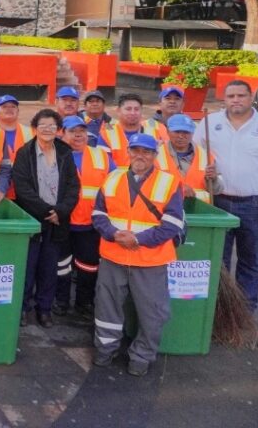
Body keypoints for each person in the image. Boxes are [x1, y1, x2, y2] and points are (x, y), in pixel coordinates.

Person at [92, 133, 184, 377]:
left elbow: (173, 224)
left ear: (154, 155)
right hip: (113, 256)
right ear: (128, 152)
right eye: (135, 151)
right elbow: (98, 214)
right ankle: (105, 349)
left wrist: (138, 239)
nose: (140, 156)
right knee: (106, 309)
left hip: (150, 261)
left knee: (152, 312)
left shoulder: (169, 182)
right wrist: (113, 234)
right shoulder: (112, 178)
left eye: (146, 152)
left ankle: (141, 356)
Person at [194, 80, 258, 311]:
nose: (236, 100)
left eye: (241, 95)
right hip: (217, 202)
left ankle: (245, 313)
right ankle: (219, 312)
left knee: (251, 262)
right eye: (231, 96)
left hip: (254, 204)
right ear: (224, 99)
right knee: (218, 262)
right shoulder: (209, 123)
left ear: (251, 97)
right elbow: (195, 157)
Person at [11, 109, 80, 328]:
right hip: (33, 220)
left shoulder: (65, 153)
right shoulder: (24, 153)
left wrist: (61, 211)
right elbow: (22, 188)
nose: (48, 130)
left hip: (58, 222)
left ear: (58, 129)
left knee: (49, 269)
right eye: (43, 125)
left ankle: (44, 309)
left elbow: (73, 186)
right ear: (35, 129)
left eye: (52, 126)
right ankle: (22, 309)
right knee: (27, 267)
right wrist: (47, 212)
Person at [57, 115, 115, 320]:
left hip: (91, 224)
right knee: (61, 266)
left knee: (88, 266)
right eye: (73, 131)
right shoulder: (55, 155)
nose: (78, 135)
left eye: (81, 131)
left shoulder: (101, 156)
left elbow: (114, 184)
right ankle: (61, 302)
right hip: (62, 222)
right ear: (62, 134)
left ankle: (84, 304)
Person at [158, 113, 220, 203]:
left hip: (200, 209)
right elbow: (148, 186)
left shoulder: (207, 156)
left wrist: (214, 180)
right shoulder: (156, 155)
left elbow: (217, 190)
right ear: (167, 131)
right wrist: (178, 188)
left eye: (186, 132)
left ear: (192, 133)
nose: (181, 136)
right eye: (177, 132)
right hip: (167, 208)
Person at [100, 93, 169, 167]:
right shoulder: (106, 136)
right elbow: (104, 165)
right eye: (128, 109)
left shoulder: (155, 134)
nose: (133, 113)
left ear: (141, 111)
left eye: (136, 109)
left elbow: (162, 163)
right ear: (118, 111)